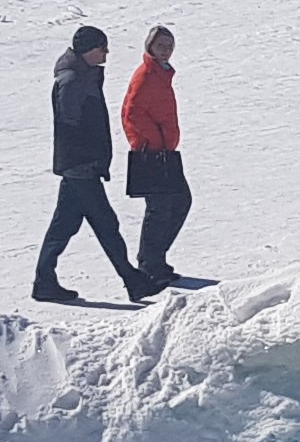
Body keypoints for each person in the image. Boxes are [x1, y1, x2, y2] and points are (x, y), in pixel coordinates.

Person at [35, 25, 143, 303]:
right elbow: (71, 126)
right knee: (106, 223)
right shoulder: (72, 80)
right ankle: (133, 280)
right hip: (80, 167)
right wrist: (89, 160)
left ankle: (44, 282)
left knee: (64, 226)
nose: (106, 53)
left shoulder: (81, 77)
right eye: (101, 48)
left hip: (79, 167)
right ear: (87, 49)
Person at [121, 25, 189, 293]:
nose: (166, 49)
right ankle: (150, 265)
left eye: (170, 44)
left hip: (165, 153)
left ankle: (155, 260)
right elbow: (131, 113)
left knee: (178, 202)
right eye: (161, 45)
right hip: (153, 154)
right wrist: (152, 143)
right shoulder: (146, 76)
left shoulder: (161, 74)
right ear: (149, 47)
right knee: (160, 209)